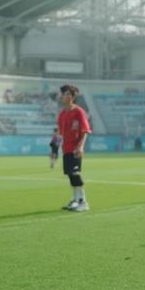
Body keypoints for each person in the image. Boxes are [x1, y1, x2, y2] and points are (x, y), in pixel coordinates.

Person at [57, 84, 91, 212]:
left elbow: (85, 130)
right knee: (70, 175)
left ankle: (84, 201)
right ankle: (75, 200)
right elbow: (60, 132)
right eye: (64, 94)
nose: (65, 96)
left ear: (73, 97)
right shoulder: (62, 114)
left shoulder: (79, 112)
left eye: (68, 94)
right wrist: (55, 146)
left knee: (75, 174)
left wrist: (81, 146)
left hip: (75, 148)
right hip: (66, 148)